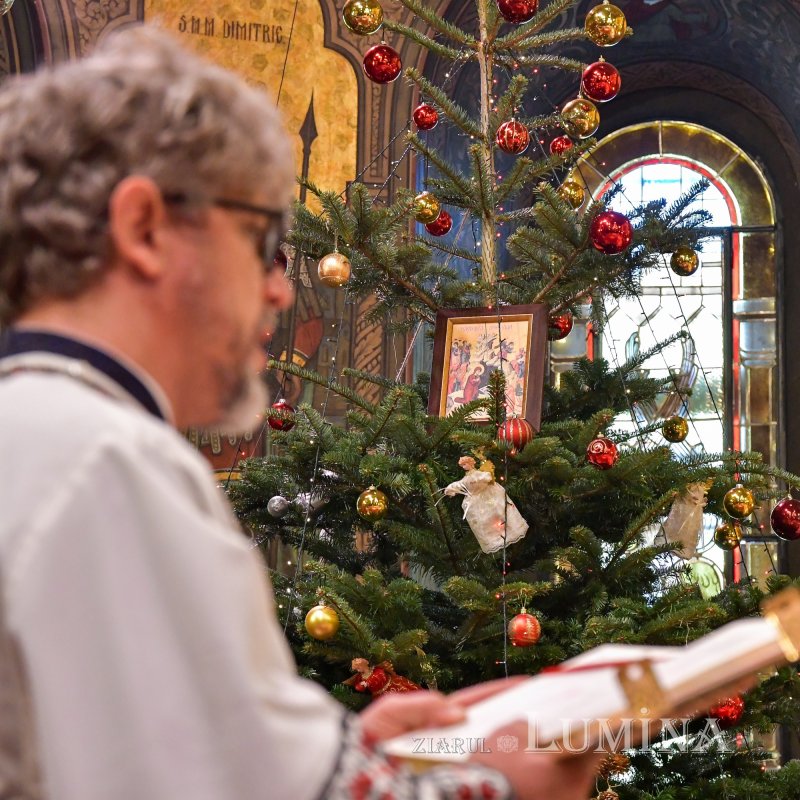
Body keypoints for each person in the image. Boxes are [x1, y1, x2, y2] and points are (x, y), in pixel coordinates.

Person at [0, 26, 602, 800]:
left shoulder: (40, 433)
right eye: (261, 240)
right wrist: (503, 783)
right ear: (145, 228)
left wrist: (345, 746)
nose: (281, 289)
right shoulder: (104, 462)